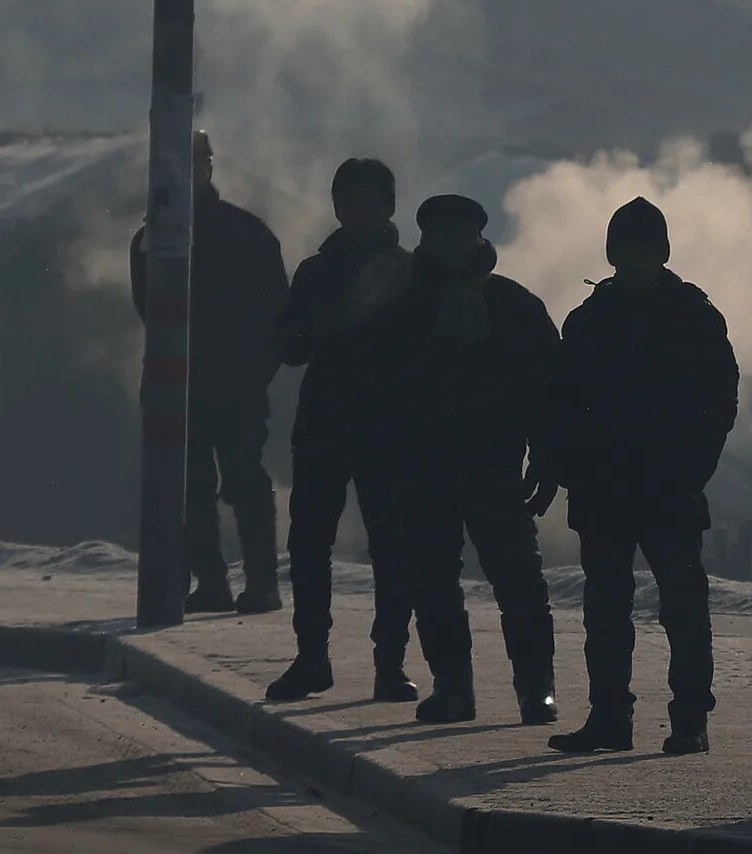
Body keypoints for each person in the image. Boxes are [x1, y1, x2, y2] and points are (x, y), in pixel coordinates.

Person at [547, 198, 741, 759]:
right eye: (627, 249)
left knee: (681, 605)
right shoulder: (589, 320)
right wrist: (573, 466)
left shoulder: (694, 317)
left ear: (661, 252)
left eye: (645, 248)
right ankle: (610, 716)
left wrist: (690, 469)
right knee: (607, 608)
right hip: (606, 487)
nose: (636, 259)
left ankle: (688, 720)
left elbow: (717, 403)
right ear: (613, 254)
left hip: (667, 487)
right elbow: (565, 402)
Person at [374, 193, 563, 726]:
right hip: (422, 468)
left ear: (479, 238)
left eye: (463, 233)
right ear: (427, 241)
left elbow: (549, 390)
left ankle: (535, 691)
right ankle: (454, 688)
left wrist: (548, 457)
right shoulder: (402, 309)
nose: (454, 244)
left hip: (495, 465)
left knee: (519, 580)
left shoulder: (514, 306)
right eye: (443, 234)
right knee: (432, 581)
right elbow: (377, 393)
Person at [266, 158, 417, 704]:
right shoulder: (316, 272)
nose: (355, 212)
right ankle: (313, 658)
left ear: (387, 207)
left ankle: (390, 663)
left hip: (385, 429)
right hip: (328, 425)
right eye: (347, 201)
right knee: (310, 544)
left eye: (365, 201)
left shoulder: (408, 272)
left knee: (391, 547)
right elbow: (288, 345)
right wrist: (312, 328)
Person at [128, 132, 289, 615]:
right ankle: (216, 581)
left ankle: (258, 583)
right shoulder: (155, 238)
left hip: (229, 383)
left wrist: (251, 373)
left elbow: (277, 316)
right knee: (189, 484)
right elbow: (151, 311)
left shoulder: (241, 234)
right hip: (188, 382)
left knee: (238, 479)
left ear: (208, 168)